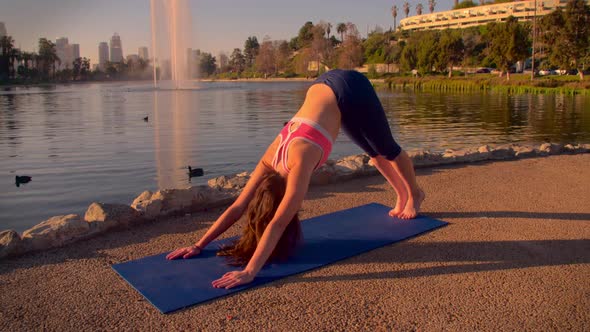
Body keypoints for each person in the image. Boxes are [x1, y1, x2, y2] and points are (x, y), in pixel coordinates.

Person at [166, 69, 425, 289]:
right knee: (372, 152)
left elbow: (279, 222)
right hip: (325, 86)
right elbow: (237, 207)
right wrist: (199, 244)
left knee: (387, 149)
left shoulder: (299, 163)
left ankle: (414, 194)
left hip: (349, 87)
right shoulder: (268, 160)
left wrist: (250, 271)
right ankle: (400, 195)